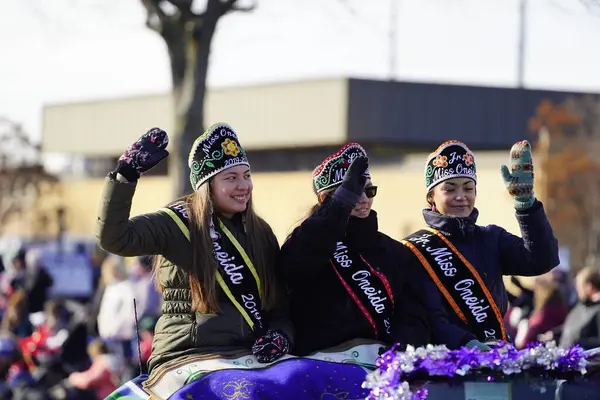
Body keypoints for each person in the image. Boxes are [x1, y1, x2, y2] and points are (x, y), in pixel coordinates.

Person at [96, 123, 292, 380]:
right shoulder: (177, 222)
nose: (244, 185)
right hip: (187, 355)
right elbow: (114, 239)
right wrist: (125, 177)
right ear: (206, 185)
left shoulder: (260, 231)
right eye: (231, 178)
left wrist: (280, 335)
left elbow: (277, 303)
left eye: (246, 175)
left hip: (246, 356)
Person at [402, 140, 559, 350]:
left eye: (468, 188)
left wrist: (526, 206)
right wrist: (467, 344)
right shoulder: (416, 250)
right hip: (445, 363)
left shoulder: (492, 238)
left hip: (497, 355)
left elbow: (541, 260)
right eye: (449, 189)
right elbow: (431, 315)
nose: (461, 197)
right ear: (431, 196)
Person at [280, 143, 430, 356]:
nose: (363, 199)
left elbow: (413, 316)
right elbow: (293, 267)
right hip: (324, 363)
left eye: (368, 190)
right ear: (327, 199)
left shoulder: (395, 252)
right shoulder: (308, 241)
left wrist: (401, 354)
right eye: (352, 191)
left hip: (382, 363)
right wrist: (338, 208)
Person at [541, 266, 600, 349]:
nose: (577, 290)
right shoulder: (581, 305)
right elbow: (571, 327)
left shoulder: (597, 309)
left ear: (589, 286)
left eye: (579, 286)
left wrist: (578, 342)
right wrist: (555, 334)